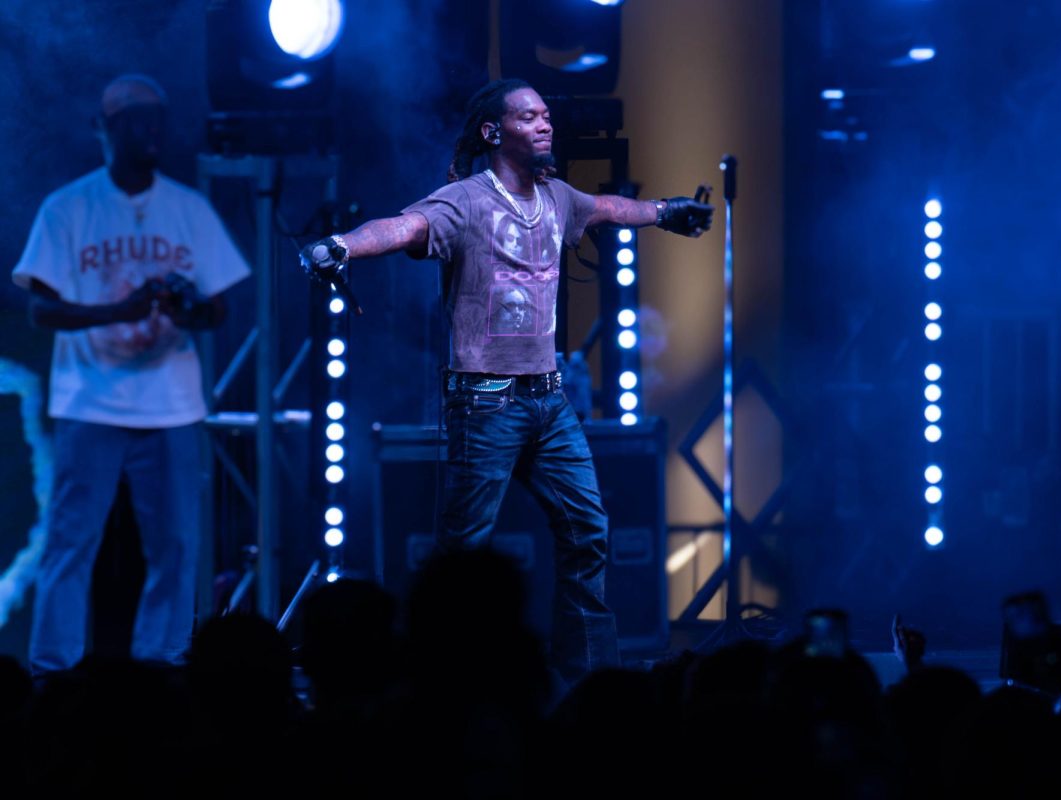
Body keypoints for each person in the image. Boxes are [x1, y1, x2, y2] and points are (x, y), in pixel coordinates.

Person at [301, 78, 712, 683]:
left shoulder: (556, 196)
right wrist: (340, 245)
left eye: (547, 116)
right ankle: (439, 682)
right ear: (496, 132)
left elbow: (604, 208)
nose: (546, 125)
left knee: (589, 531)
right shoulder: (465, 200)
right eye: (529, 118)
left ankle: (588, 680)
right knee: (462, 557)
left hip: (549, 401)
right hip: (484, 404)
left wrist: (668, 211)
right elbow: (403, 227)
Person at [12, 74, 250, 673]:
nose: (149, 130)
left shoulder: (186, 208)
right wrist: (117, 310)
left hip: (170, 403)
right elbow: (39, 307)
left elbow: (218, 308)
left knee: (174, 547)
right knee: (71, 547)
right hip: (90, 402)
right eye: (135, 119)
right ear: (106, 129)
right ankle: (51, 675)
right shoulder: (69, 207)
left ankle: (162, 671)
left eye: (157, 119)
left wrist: (185, 307)